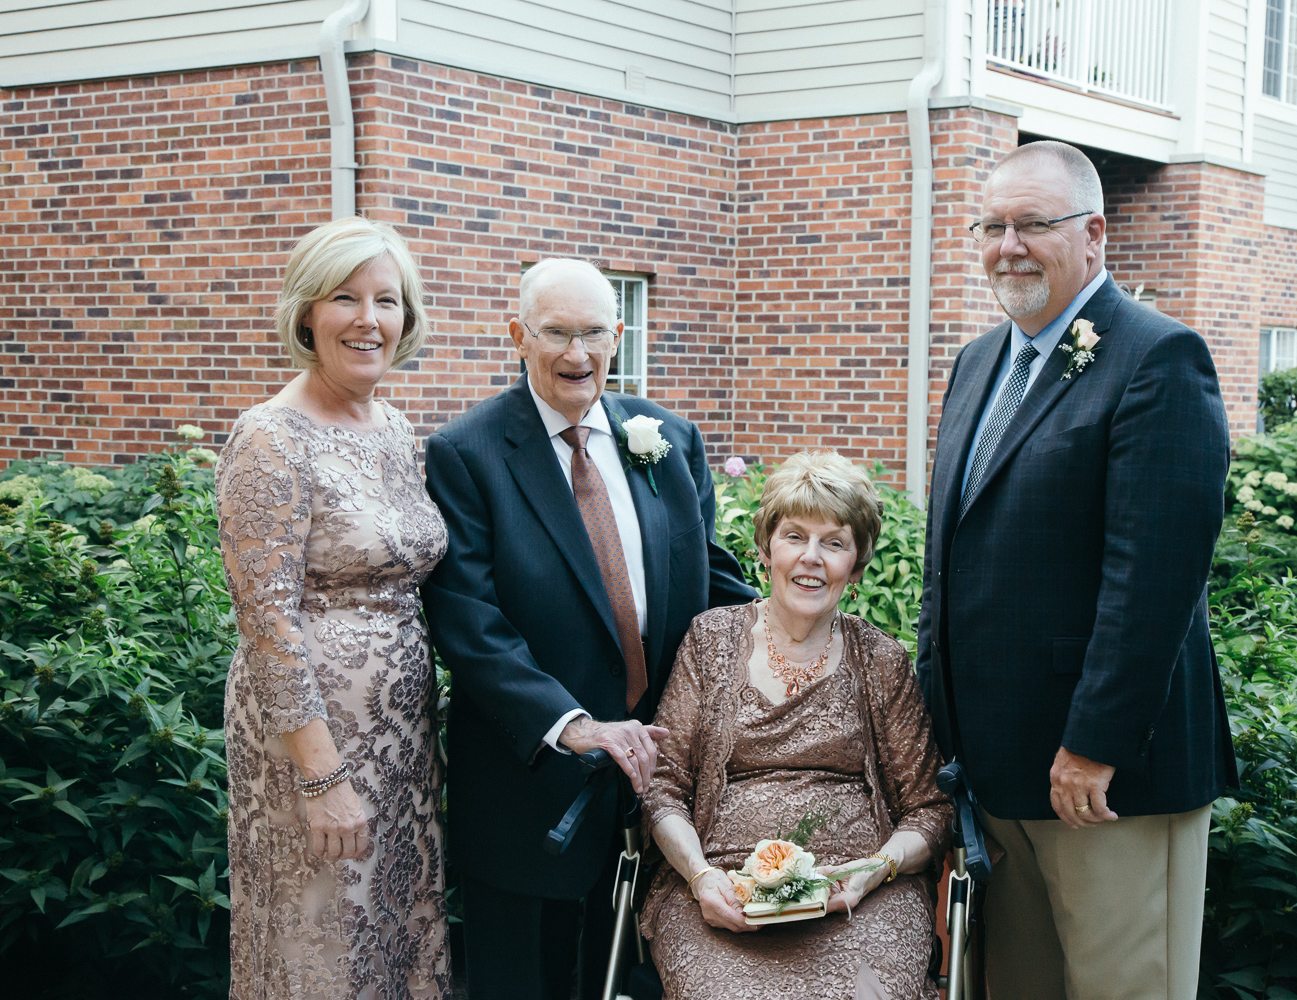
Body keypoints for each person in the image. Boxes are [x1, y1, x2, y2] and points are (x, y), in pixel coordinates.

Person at [915, 140, 1235, 1000]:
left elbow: (1153, 580)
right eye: (992, 225)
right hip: (994, 773)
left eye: (1033, 224)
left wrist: (1094, 745)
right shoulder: (978, 362)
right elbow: (947, 562)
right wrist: (939, 737)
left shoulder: (1158, 359)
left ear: (1094, 234)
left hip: (1104, 779)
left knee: (1124, 988)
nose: (1008, 245)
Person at [420, 258, 758, 1000]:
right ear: (518, 335)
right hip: (528, 783)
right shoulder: (466, 454)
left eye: (594, 333)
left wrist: (800, 646)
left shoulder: (666, 437)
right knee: (522, 984)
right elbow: (468, 621)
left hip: (655, 778)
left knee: (636, 977)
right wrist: (570, 724)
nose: (578, 355)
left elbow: (715, 580)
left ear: (620, 335)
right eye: (557, 334)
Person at [217, 217, 451, 999]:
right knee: (323, 941)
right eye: (345, 298)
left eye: (387, 300)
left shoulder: (392, 427)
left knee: (392, 933)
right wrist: (322, 777)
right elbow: (267, 621)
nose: (368, 319)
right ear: (307, 313)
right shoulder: (269, 438)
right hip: (312, 743)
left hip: (402, 740)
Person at [642, 451, 953, 1000]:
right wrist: (700, 876)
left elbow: (929, 809)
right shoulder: (710, 642)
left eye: (834, 543)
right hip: (723, 893)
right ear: (766, 549)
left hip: (859, 901)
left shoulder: (881, 661)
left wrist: (874, 870)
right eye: (794, 537)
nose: (811, 558)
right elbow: (664, 790)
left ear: (855, 566)